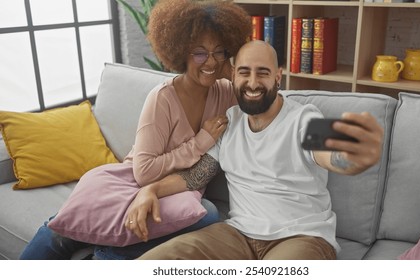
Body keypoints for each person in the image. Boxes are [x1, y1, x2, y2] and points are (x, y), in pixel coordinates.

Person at [19, 0, 252, 260]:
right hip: (135, 181)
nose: (209, 61)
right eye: (199, 52)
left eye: (219, 51)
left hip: (179, 191)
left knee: (208, 214)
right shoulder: (162, 98)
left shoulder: (225, 92)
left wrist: (236, 67)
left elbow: (258, 96)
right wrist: (200, 142)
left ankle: (106, 252)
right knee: (61, 229)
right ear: (181, 52)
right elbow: (144, 173)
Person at [132, 40, 384, 260]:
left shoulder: (304, 118)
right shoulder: (229, 122)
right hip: (236, 235)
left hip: (301, 238)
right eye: (244, 72)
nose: (252, 83)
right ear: (233, 77)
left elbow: (329, 152)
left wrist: (351, 156)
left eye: (262, 73)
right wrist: (151, 189)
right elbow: (196, 176)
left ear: (278, 77)